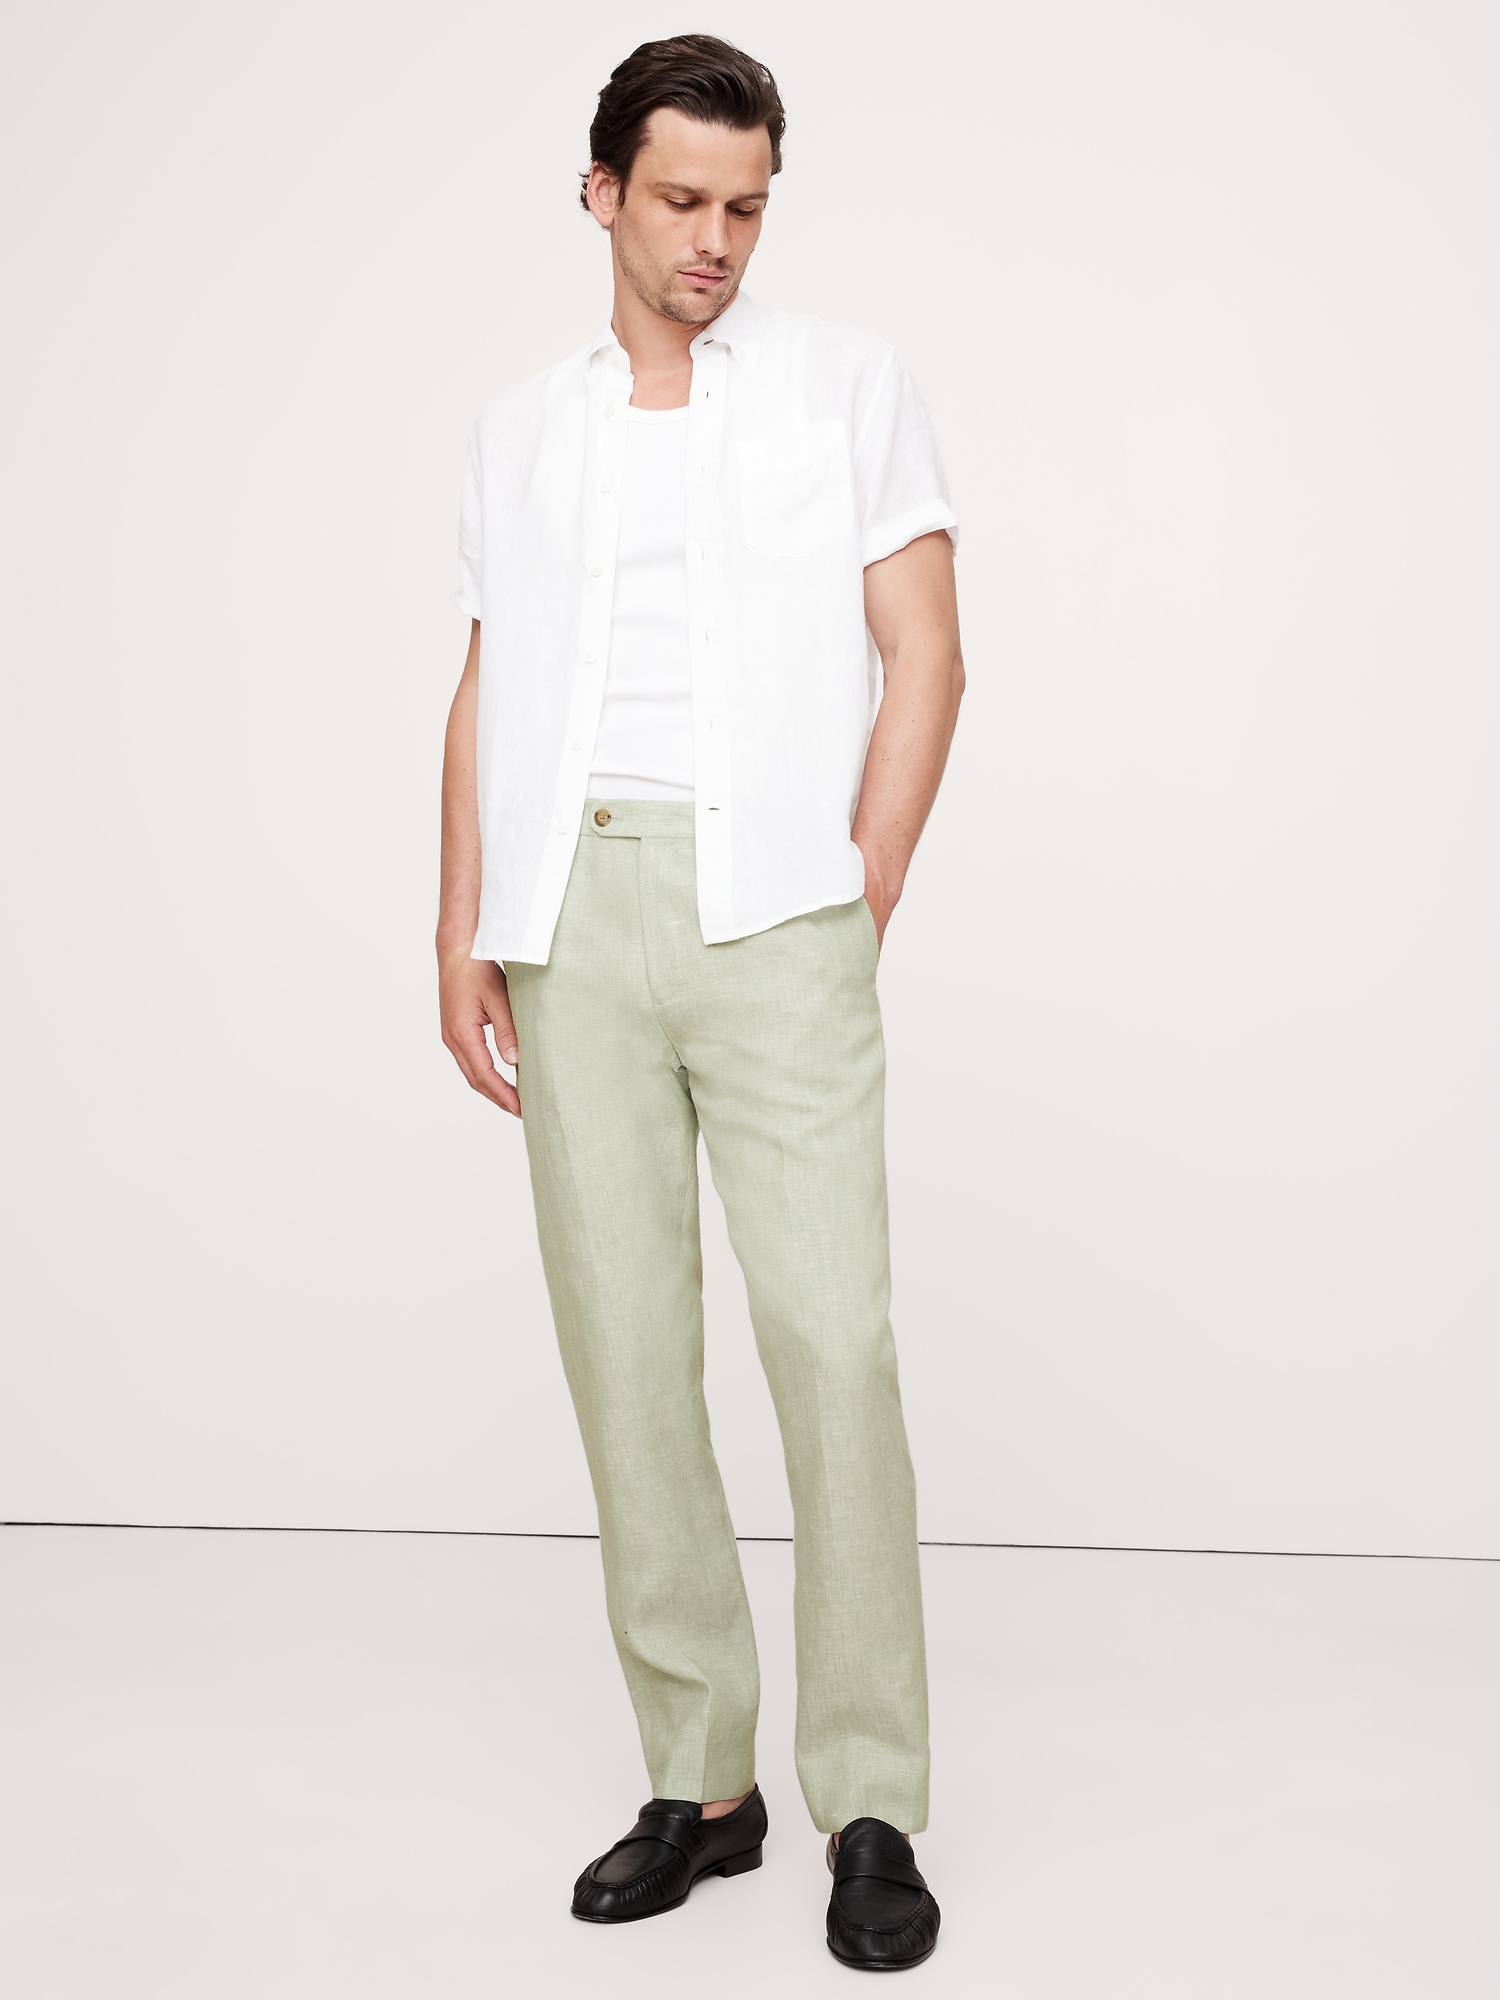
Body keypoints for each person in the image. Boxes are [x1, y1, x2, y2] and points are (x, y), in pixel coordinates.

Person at [437, 34, 963, 1973]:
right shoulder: (519, 429)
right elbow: (487, 681)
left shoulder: (846, 387)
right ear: (600, 193)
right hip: (569, 916)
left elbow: (927, 653)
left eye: (745, 205)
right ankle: (703, 1781)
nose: (714, 240)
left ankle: (871, 1797)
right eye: (678, 199)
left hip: (779, 916)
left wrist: (857, 888)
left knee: (833, 1346)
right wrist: (463, 924)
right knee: (628, 1359)